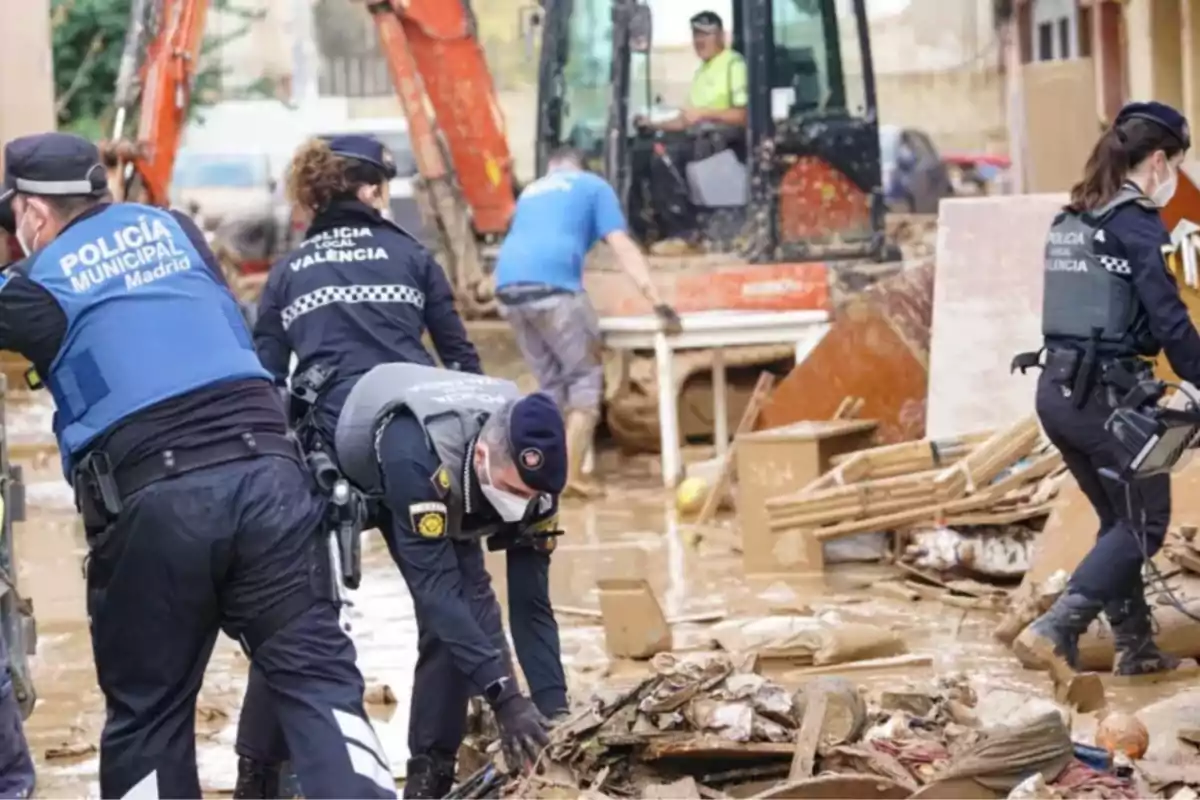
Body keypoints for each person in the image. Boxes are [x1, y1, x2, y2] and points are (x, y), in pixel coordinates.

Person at [0, 132, 394, 798]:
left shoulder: (33, 285)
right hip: (273, 480)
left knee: (149, 713)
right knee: (320, 682)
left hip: (157, 505)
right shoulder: (176, 230)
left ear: (33, 214)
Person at [239, 137, 567, 798]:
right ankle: (431, 776)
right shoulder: (411, 256)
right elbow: (462, 359)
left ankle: (262, 778)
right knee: (451, 604)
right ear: (371, 192)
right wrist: (480, 442)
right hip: (418, 439)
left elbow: (264, 380)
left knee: (296, 619)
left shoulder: (290, 269)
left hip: (324, 454)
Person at [1011, 102, 1200, 681]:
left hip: (1059, 392)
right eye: (1179, 165)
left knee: (1119, 519)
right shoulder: (1136, 222)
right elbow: (1168, 318)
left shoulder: (1075, 215)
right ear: (1161, 160)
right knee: (1143, 524)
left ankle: (1135, 646)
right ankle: (1054, 629)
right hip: (1107, 399)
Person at [494, 146, 680, 499]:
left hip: (508, 289)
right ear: (580, 166)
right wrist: (656, 300)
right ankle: (569, 476)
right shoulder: (593, 186)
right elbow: (621, 245)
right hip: (554, 289)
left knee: (550, 385)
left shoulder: (533, 191)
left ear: (552, 167)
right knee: (584, 380)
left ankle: (535, 472)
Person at [630, 10, 748, 255]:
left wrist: (706, 113)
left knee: (666, 154)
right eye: (696, 35)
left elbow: (744, 115)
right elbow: (685, 120)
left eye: (706, 34)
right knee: (643, 149)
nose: (699, 41)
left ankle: (684, 233)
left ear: (721, 36)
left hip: (727, 138)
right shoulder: (701, 72)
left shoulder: (734, 64)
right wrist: (653, 125)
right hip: (701, 134)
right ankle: (648, 228)